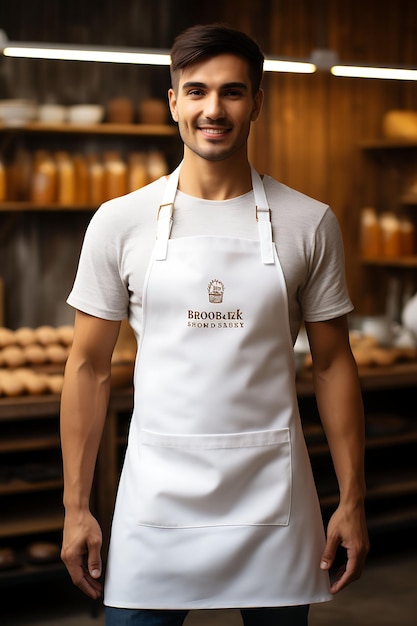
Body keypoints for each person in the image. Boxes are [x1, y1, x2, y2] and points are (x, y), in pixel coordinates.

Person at [60, 23, 369, 626]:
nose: (214, 109)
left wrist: (351, 499)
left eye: (232, 92)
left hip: (271, 497)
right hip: (157, 499)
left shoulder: (309, 222)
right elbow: (88, 368)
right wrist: (76, 506)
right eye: (196, 91)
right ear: (173, 100)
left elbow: (333, 364)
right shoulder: (120, 222)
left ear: (257, 102)